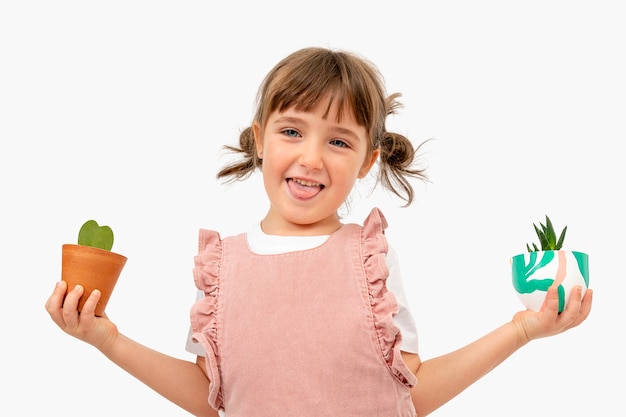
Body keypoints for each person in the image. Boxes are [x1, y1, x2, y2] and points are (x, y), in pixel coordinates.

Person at [46, 47, 593, 417]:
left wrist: (522, 331)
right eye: (291, 131)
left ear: (366, 160)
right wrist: (105, 339)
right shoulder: (221, 268)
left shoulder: (370, 259)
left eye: (338, 141)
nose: (311, 158)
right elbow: (214, 399)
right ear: (260, 139)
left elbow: (408, 394)